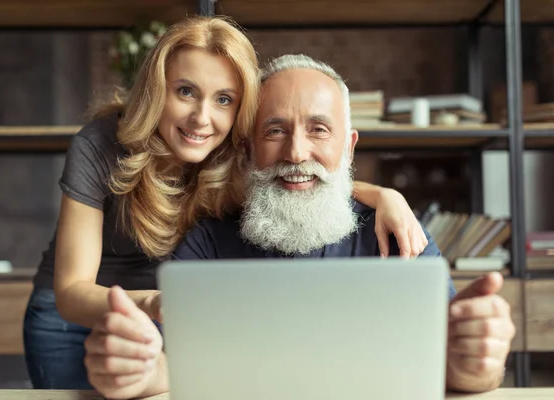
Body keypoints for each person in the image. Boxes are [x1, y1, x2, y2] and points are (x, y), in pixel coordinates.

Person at [23, 18, 429, 390]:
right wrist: (151, 304)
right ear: (156, 88)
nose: (202, 117)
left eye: (223, 100)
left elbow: (307, 172)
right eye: (186, 92)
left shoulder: (236, 150)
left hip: (167, 317)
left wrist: (384, 195)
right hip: (74, 320)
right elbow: (71, 290)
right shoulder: (99, 146)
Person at [83, 55, 516, 399]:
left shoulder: (396, 234)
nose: (295, 152)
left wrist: (477, 363)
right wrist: (133, 372)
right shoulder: (207, 244)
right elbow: (167, 364)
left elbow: (458, 364)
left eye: (318, 129)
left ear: (348, 147)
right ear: (248, 148)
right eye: (275, 131)